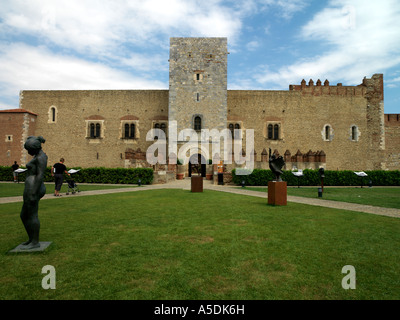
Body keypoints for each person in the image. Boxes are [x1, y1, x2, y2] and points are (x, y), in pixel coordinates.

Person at [20, 136, 47, 250]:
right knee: (24, 215)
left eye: (28, 149)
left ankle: (35, 242)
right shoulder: (38, 155)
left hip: (34, 187)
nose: (28, 152)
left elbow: (40, 175)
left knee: (32, 215)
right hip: (31, 186)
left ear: (34, 148)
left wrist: (34, 193)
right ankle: (31, 239)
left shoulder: (41, 157)